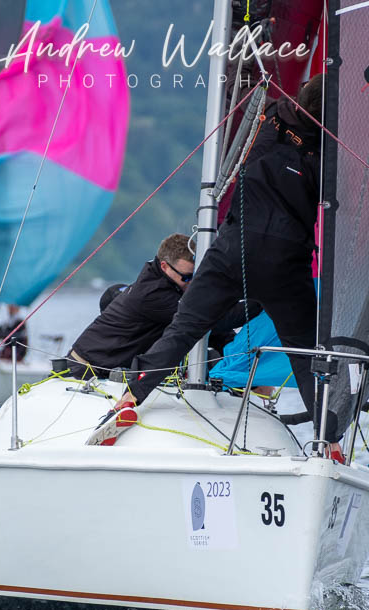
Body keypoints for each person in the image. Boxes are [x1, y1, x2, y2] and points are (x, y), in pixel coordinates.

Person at [90, 75, 329, 445]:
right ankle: (329, 438)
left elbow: (251, 95)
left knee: (183, 329)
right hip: (285, 260)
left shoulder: (268, 117)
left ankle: (131, 397)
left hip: (233, 247)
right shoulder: (327, 155)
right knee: (304, 351)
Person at [68, 233, 258, 380]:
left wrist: (244, 363)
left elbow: (214, 330)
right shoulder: (152, 294)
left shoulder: (172, 284)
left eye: (196, 276)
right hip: (83, 369)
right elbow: (206, 321)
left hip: (112, 370)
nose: (191, 283)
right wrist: (262, 301)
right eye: (186, 277)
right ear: (165, 266)